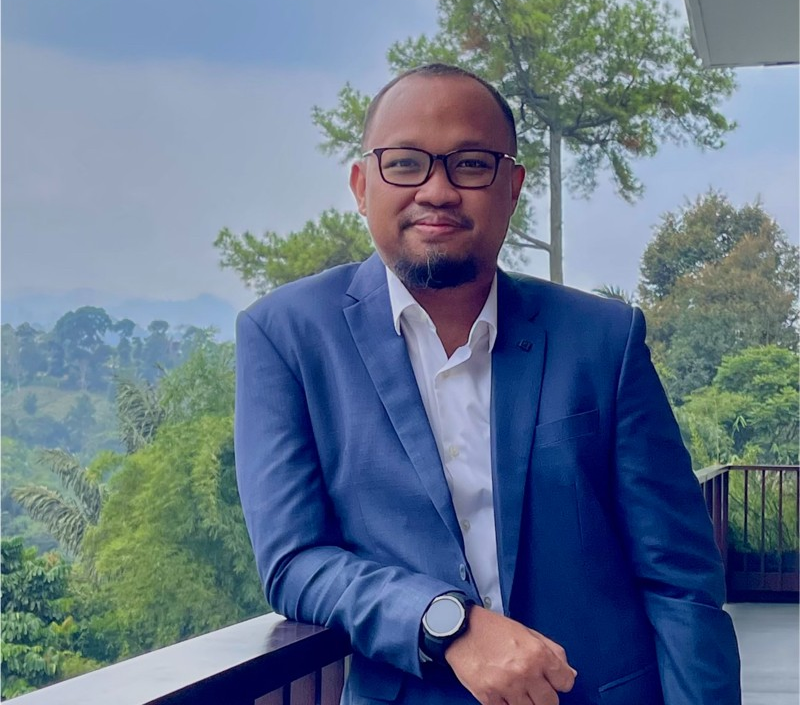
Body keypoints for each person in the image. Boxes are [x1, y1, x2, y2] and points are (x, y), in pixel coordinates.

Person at [234, 63, 741, 705]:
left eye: (471, 164)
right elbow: (293, 560)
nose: (438, 190)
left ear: (513, 187)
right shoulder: (287, 336)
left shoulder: (602, 339)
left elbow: (680, 580)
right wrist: (447, 622)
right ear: (362, 186)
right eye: (405, 163)